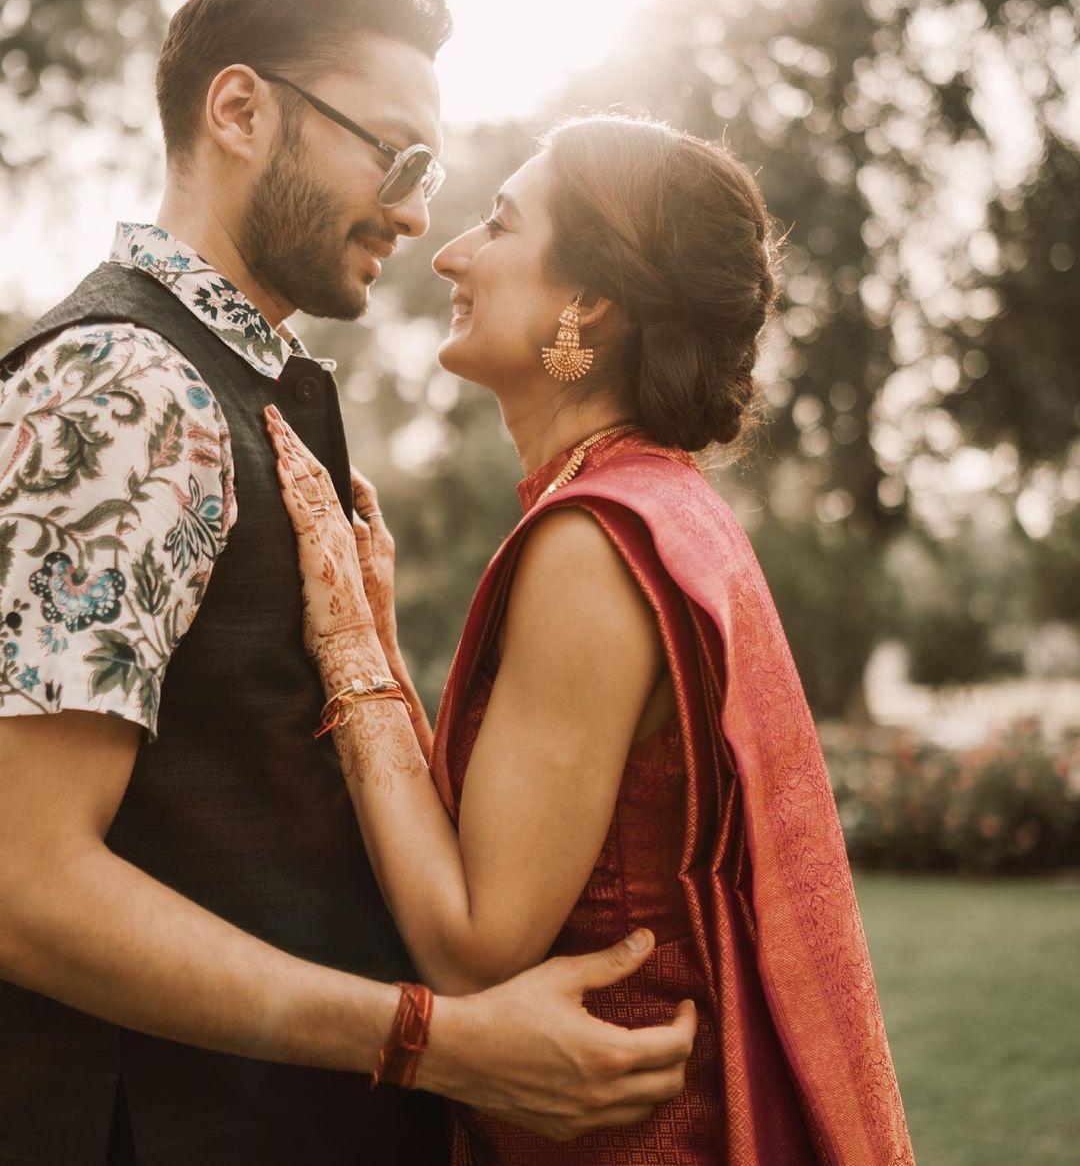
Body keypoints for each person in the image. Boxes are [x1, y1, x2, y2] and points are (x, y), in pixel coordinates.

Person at [0, 0, 697, 1165]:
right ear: (239, 111)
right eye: (399, 155)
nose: (419, 211)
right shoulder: (125, 385)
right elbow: (19, 870)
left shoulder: (242, 384)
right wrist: (433, 1039)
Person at [266, 115, 917, 1163]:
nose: (450, 251)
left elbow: (473, 943)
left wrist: (342, 642)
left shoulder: (592, 542)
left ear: (589, 299)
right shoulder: (657, 503)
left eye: (499, 221)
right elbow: (506, 850)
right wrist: (385, 640)